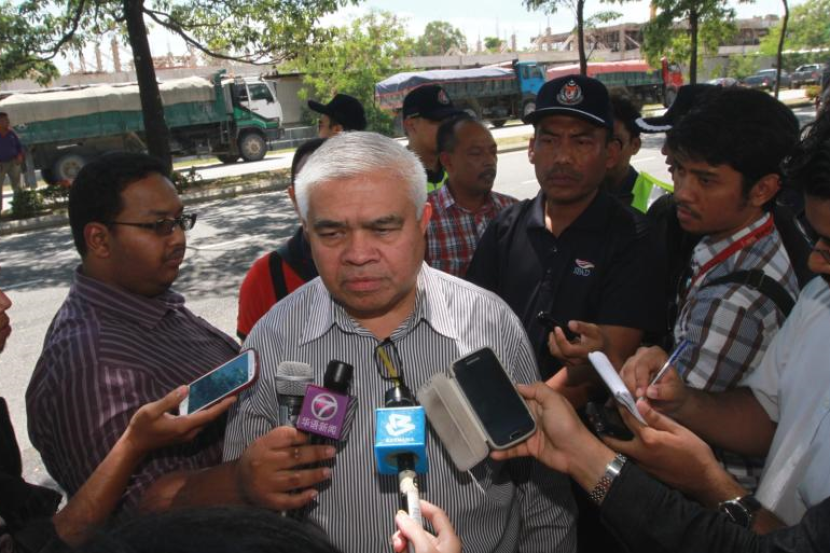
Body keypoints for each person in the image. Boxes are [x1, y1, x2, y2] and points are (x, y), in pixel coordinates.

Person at [223, 131, 576, 553]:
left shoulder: (490, 324)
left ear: (424, 220)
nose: (358, 254)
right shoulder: (272, 340)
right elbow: (245, 512)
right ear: (306, 229)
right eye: (331, 233)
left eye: (383, 228)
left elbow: (543, 499)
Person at [619, 108, 830, 526]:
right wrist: (685, 401)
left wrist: (709, 483)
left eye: (706, 179)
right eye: (818, 237)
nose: (814, 260)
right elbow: (767, 414)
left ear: (763, 189)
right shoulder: (817, 298)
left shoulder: (739, 299)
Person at [25, 152, 243, 512]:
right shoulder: (92, 364)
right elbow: (137, 512)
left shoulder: (148, 300)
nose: (178, 238)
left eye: (179, 221)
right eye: (159, 225)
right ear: (99, 239)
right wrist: (244, 480)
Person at [466, 75, 665, 393]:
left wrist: (527, 412)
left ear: (610, 153)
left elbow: (609, 358)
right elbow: (470, 324)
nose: (562, 157)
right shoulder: (505, 227)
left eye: (581, 142)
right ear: (531, 149)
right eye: (550, 141)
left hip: (570, 419)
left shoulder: (634, 238)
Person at [237, 139, 325, 340]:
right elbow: (252, 353)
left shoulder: (386, 262)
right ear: (293, 197)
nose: (325, 200)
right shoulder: (265, 278)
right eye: (310, 188)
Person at [425, 115, 516, 277]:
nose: (489, 161)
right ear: (447, 161)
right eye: (476, 153)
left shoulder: (513, 211)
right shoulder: (423, 217)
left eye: (493, 152)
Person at [604, 92, 672, 213]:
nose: (603, 149)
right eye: (589, 141)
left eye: (613, 141)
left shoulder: (660, 200)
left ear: (635, 145)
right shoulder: (574, 191)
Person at [402, 85, 464, 192]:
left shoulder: (456, 168)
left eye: (451, 120)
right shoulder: (394, 178)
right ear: (411, 125)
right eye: (438, 121)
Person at [0, 111, 25, 214]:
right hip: (1, 164)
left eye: (7, 120)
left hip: (13, 162)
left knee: (17, 186)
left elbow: (19, 146)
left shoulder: (11, 133)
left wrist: (20, 156)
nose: (8, 122)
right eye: (5, 120)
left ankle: (18, 207)